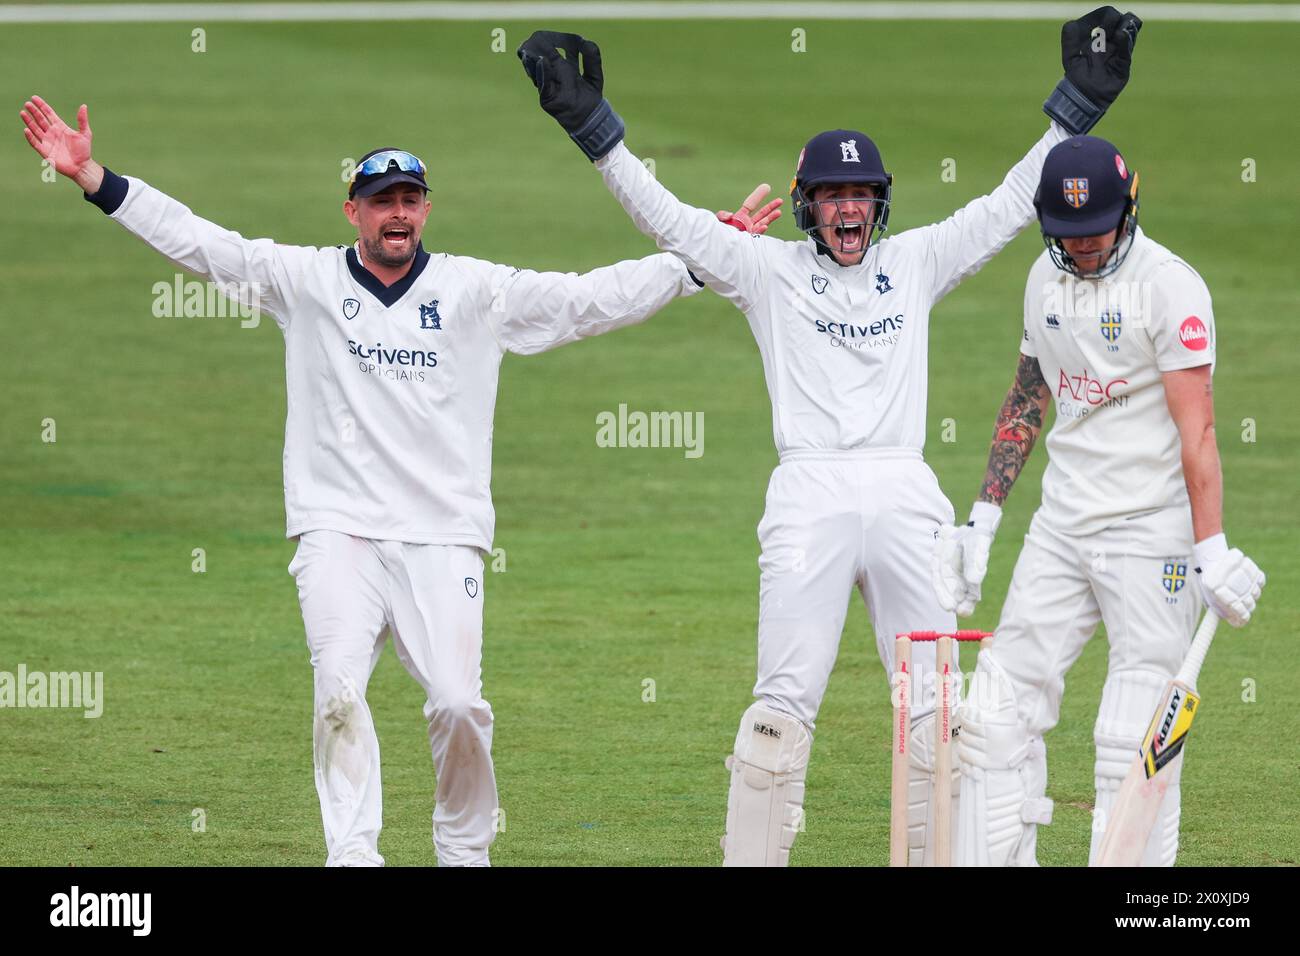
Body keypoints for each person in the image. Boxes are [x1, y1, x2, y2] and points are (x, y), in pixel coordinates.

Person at [19, 95, 771, 866]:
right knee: (338, 695)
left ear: (427, 209)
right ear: (354, 212)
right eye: (383, 202)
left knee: (458, 705)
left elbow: (586, 301)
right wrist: (95, 178)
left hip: (442, 536)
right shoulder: (304, 281)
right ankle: (353, 856)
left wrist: (693, 263)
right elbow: (204, 245)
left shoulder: (476, 291)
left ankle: (464, 852)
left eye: (410, 200)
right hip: (336, 531)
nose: (398, 215)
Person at [516, 7, 1141, 866]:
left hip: (903, 490)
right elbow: (670, 222)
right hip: (806, 493)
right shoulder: (766, 270)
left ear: (878, 204)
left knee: (934, 712)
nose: (847, 210)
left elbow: (1004, 207)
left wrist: (1075, 107)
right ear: (808, 206)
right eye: (831, 196)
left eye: (860, 195)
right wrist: (596, 132)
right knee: (780, 710)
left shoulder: (915, 260)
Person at [932, 134, 1266, 866]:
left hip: (1151, 534)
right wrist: (983, 518)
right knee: (990, 719)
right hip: (1061, 526)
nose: (1084, 250)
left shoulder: (1172, 286)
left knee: (1130, 738)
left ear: (1131, 206)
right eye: (1068, 238)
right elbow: (1027, 398)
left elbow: (1199, 428)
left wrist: (1208, 549)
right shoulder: (1040, 283)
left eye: (1097, 234)